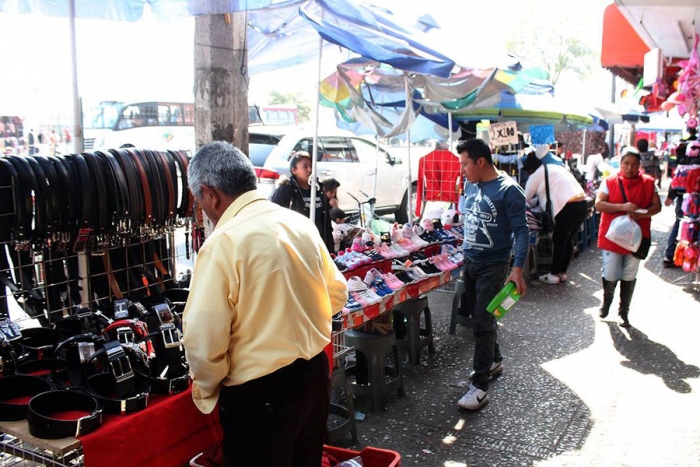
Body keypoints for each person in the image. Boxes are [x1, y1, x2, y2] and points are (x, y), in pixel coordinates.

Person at [182, 141, 348, 467]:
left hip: (260, 395)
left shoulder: (223, 243)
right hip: (313, 377)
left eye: (200, 202)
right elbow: (336, 293)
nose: (204, 209)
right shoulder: (298, 224)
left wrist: (207, 386)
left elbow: (203, 341)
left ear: (210, 194)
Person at [455, 138, 529, 411]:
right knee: (480, 317)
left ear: (480, 162)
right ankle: (494, 358)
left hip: (494, 265)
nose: (462, 169)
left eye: (465, 164)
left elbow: (522, 231)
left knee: (483, 324)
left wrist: (517, 269)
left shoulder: (509, 190)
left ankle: (480, 386)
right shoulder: (470, 185)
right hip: (470, 261)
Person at [595, 146, 661, 327]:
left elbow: (657, 206)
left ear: (639, 165)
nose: (630, 168)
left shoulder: (649, 183)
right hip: (612, 237)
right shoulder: (609, 182)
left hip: (637, 238)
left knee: (629, 274)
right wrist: (623, 207)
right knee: (610, 271)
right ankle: (607, 301)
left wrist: (642, 214)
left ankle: (624, 311)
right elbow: (599, 204)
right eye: (626, 164)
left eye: (634, 164)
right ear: (620, 164)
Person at [522, 152, 588, 284]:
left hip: (568, 207)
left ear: (529, 170)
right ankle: (562, 272)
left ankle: (554, 274)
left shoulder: (535, 175)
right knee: (567, 239)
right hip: (581, 203)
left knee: (559, 240)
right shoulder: (554, 167)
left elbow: (524, 199)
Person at [270, 151, 334, 252]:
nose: (309, 170)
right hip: (297, 246)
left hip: (319, 244)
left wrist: (330, 249)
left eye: (311, 166)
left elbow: (326, 223)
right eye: (305, 167)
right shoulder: (286, 190)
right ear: (294, 170)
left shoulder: (319, 189)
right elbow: (274, 218)